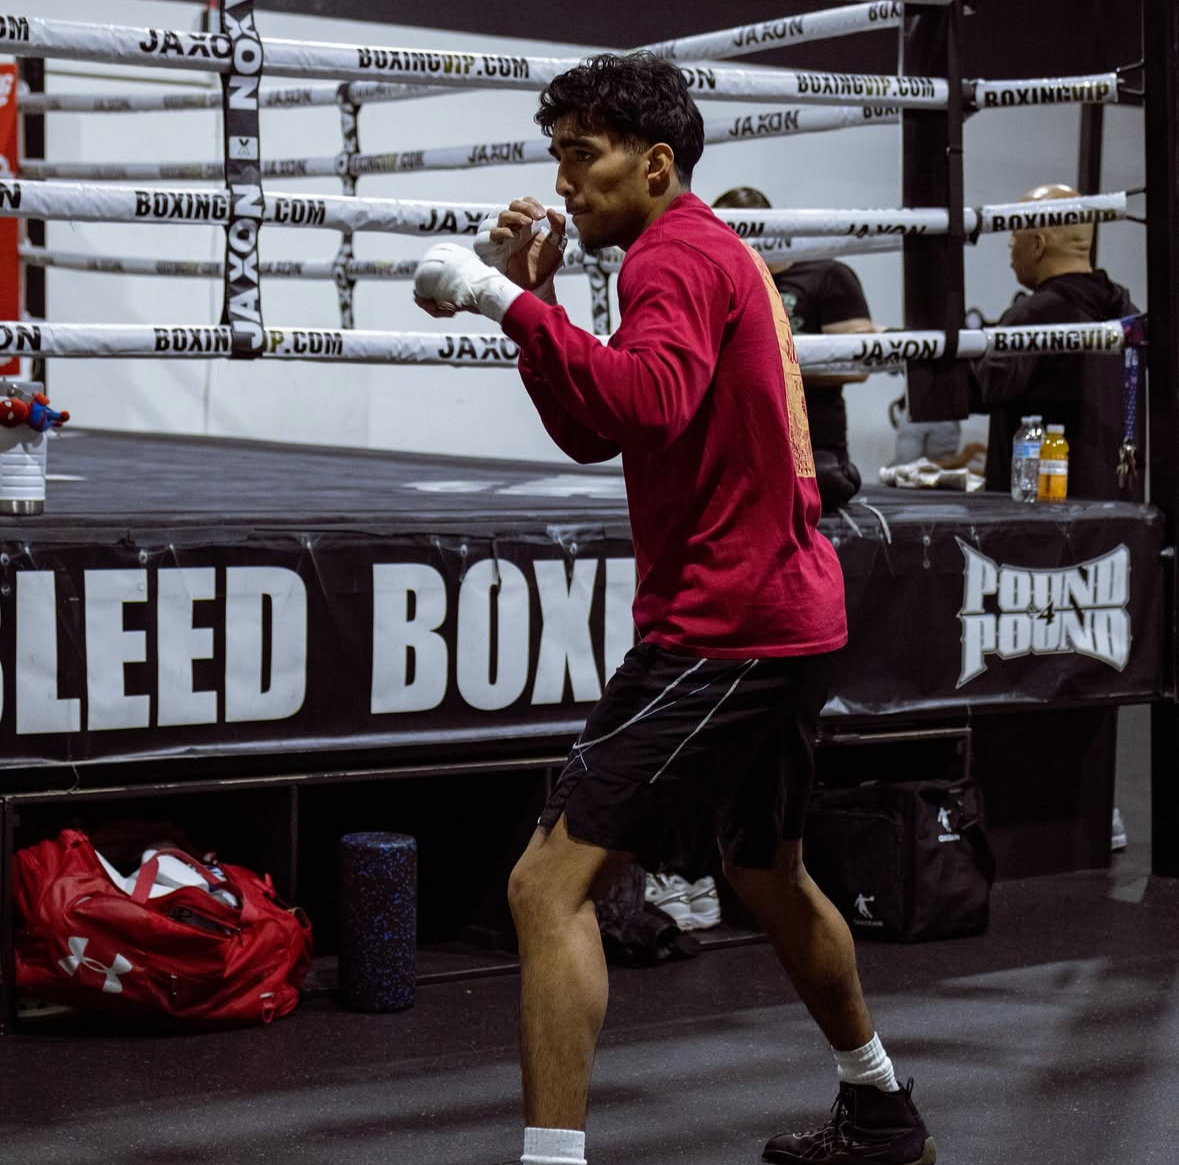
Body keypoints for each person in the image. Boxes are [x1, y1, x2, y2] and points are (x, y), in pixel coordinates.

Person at [413, 51, 935, 1165]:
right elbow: (602, 428)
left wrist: (497, 292)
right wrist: (535, 305)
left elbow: (641, 404)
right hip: (781, 614)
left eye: (584, 156)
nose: (565, 184)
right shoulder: (691, 253)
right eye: (557, 157)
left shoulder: (674, 257)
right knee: (765, 873)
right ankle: (882, 1109)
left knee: (546, 884)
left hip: (728, 628)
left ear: (655, 165)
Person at [968, 182, 1141, 500]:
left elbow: (978, 388)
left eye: (1014, 233)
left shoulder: (1032, 316)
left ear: (1037, 244)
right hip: (1118, 516)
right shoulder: (1130, 317)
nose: (1009, 243)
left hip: (1040, 523)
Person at [711, 186, 877, 513]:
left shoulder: (825, 276)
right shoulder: (721, 284)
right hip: (737, 446)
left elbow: (857, 366)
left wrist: (761, 367)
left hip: (811, 448)